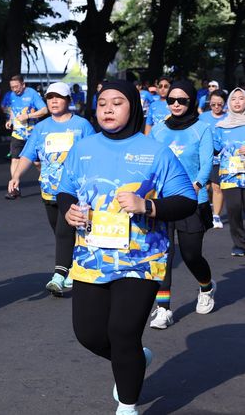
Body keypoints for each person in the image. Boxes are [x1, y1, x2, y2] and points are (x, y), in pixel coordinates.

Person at [58, 81, 197, 415]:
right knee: (89, 335)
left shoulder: (156, 151)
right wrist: (68, 210)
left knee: (122, 332)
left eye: (117, 102)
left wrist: (147, 206)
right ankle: (134, 359)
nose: (108, 108)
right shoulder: (83, 149)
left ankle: (128, 405)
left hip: (141, 259)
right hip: (92, 257)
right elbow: (66, 190)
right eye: (102, 103)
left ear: (133, 107)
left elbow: (186, 200)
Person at [8, 82, 95, 296]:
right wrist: (16, 176)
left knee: (66, 230)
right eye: (50, 97)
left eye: (59, 97)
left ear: (68, 100)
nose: (54, 101)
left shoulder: (82, 126)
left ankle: (59, 275)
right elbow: (28, 155)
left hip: (75, 192)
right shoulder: (41, 128)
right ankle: (73, 268)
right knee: (60, 232)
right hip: (49, 190)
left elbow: (95, 154)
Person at [148, 80, 216, 329]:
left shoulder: (202, 129)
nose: (176, 104)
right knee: (163, 255)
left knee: (191, 255)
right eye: (171, 100)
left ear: (191, 101)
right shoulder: (158, 130)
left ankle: (206, 287)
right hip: (162, 202)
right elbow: (149, 161)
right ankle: (163, 308)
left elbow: (206, 163)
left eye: (182, 100)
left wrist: (196, 185)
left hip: (191, 201)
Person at [1, 75, 47, 199]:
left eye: (17, 86)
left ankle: (47, 183)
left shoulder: (32, 94)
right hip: (17, 133)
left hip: (32, 134)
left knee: (37, 163)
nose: (14, 89)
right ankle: (15, 189)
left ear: (23, 84)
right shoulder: (11, 95)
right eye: (12, 87)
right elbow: (11, 109)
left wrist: (28, 116)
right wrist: (10, 120)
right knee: (15, 160)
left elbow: (44, 110)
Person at [213, 87, 245, 257]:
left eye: (241, 98)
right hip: (229, 174)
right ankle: (240, 243)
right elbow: (215, 149)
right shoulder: (220, 126)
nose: (237, 102)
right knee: (233, 207)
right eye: (233, 99)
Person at [199, 89, 227, 228]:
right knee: (204, 186)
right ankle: (204, 212)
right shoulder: (203, 117)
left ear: (224, 104)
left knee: (217, 187)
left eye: (219, 104)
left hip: (220, 158)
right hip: (204, 157)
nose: (216, 107)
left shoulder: (228, 118)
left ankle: (216, 216)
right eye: (213, 104)